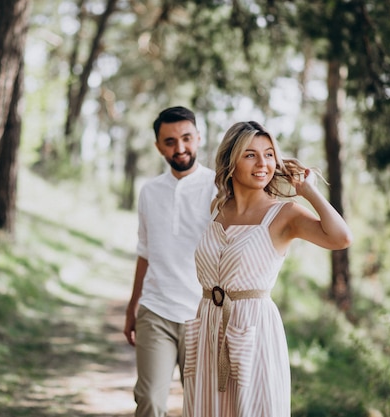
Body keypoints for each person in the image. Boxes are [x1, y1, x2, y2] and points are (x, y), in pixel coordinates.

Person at [182, 121, 353, 417]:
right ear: (230, 161)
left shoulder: (284, 214)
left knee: (252, 407)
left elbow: (341, 238)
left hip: (254, 328)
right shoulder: (215, 208)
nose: (263, 163)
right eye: (250, 155)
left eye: (269, 154)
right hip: (209, 324)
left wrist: (308, 191)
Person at [123, 106, 217, 417]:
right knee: (149, 400)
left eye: (186, 138)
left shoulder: (219, 188)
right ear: (158, 146)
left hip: (201, 316)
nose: (180, 148)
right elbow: (145, 250)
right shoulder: (149, 191)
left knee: (200, 406)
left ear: (199, 138)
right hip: (157, 310)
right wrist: (133, 304)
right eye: (170, 141)